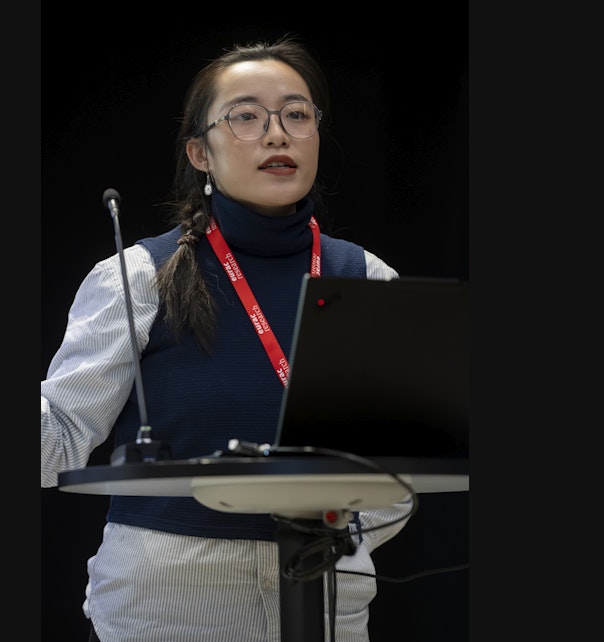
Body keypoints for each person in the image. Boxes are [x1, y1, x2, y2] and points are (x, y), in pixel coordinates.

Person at [41, 35, 415, 642]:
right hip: (167, 601)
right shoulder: (139, 277)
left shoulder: (367, 278)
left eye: (297, 115)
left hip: (326, 592)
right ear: (200, 153)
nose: (277, 134)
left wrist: (334, 531)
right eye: (246, 116)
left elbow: (405, 460)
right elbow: (56, 441)